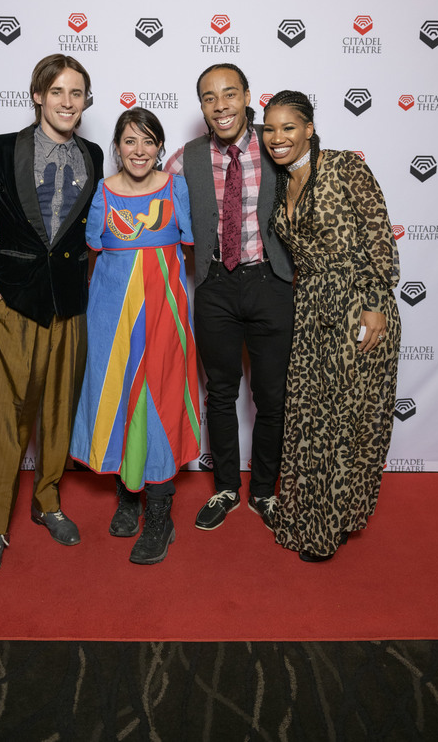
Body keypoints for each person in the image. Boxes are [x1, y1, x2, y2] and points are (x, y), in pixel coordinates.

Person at [0, 54, 103, 577]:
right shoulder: (2, 149)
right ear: (38, 95)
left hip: (70, 305)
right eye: (58, 91)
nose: (68, 102)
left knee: (58, 412)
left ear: (87, 101)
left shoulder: (94, 153)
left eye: (77, 93)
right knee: (7, 418)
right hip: (14, 303)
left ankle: (47, 502)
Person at [262, 89, 401, 562]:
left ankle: (331, 524)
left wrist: (376, 303)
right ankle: (305, 514)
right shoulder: (282, 182)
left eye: (288, 127)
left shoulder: (344, 167)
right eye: (270, 128)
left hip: (357, 307)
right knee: (308, 418)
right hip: (312, 307)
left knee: (345, 422)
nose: (277, 138)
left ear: (309, 129)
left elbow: (378, 235)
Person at [165, 64, 294, 532]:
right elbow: (151, 202)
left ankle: (263, 491)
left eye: (229, 94)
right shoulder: (185, 158)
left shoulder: (277, 143)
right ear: (201, 106)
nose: (220, 105)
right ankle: (225, 488)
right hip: (215, 284)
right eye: (209, 97)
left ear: (247, 97)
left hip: (272, 283)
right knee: (219, 393)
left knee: (272, 395)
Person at [70, 108, 200, 565]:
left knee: (158, 400)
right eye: (129, 141)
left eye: (148, 141)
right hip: (112, 315)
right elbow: (96, 251)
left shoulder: (175, 187)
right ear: (117, 147)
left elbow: (186, 244)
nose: (139, 151)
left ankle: (160, 515)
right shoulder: (103, 193)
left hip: (165, 312)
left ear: (160, 147)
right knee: (121, 399)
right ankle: (128, 495)